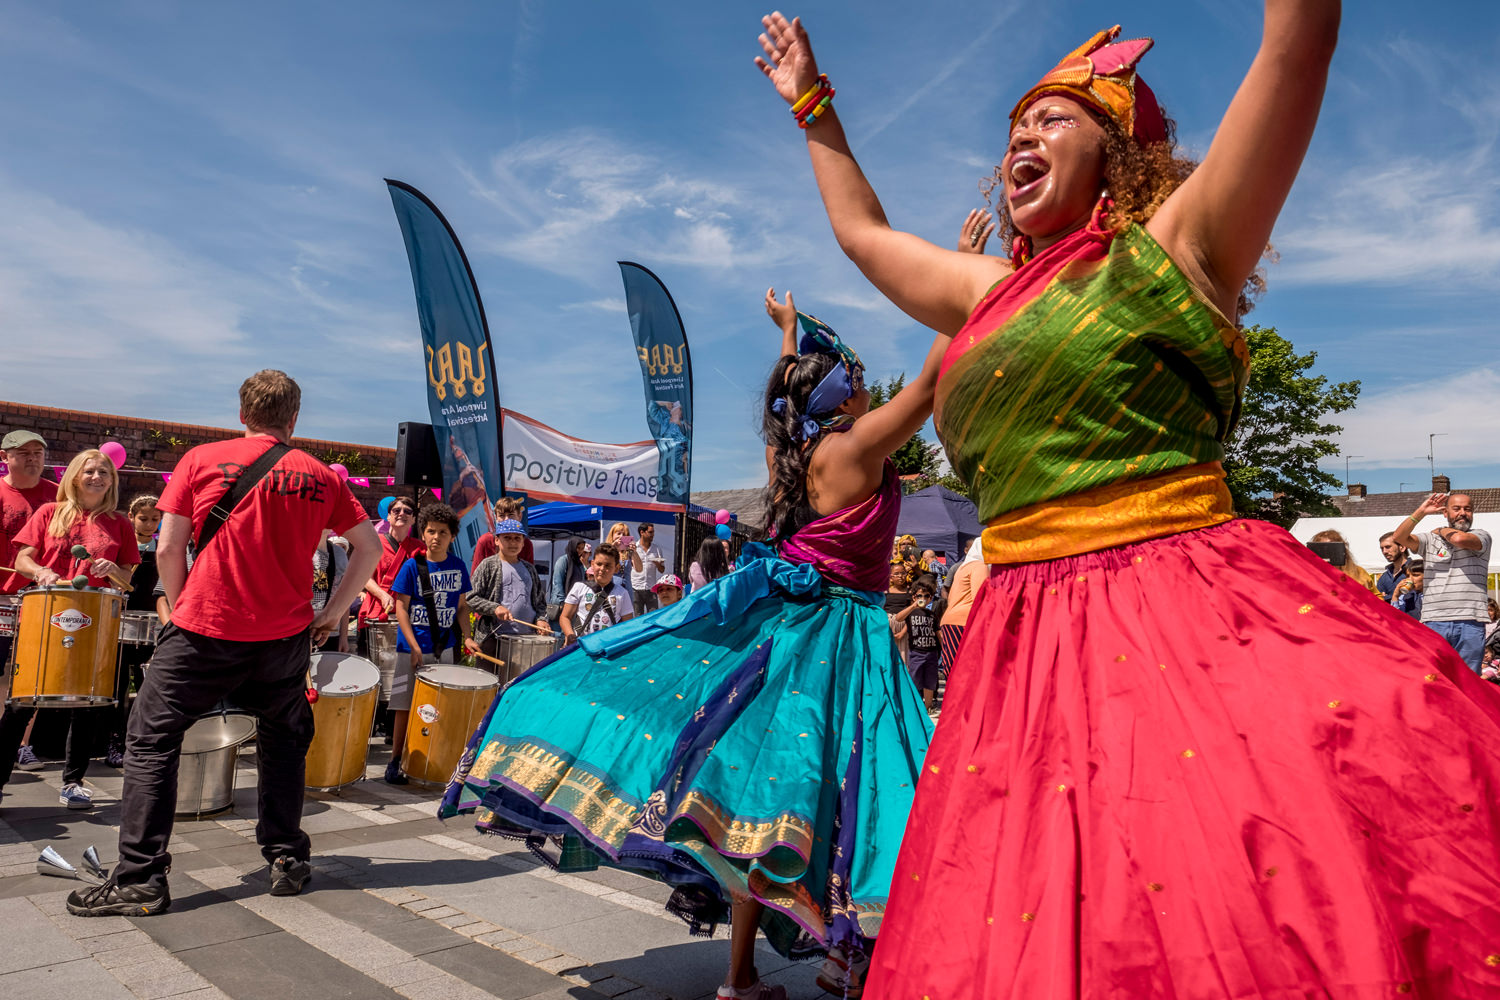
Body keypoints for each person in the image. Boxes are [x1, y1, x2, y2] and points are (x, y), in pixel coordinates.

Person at [758, 7, 1500, 995]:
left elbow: (1297, 43)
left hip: (1180, 617)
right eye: (1016, 126)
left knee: (1216, 913)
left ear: (1118, 154)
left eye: (1056, 119)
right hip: (1019, 655)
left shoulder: (1179, 246)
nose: (1023, 135)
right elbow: (862, 234)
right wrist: (813, 102)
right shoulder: (986, 295)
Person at [444, 285, 940, 1000]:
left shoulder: (792, 455)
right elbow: (926, 385)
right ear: (841, 397)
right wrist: (966, 279)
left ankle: (746, 975)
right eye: (856, 379)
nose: (865, 387)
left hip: (785, 636)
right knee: (870, 791)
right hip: (843, 640)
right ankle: (847, 950)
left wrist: (788, 332)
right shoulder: (857, 444)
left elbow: (784, 407)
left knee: (758, 801)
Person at [65, 370, 379, 916]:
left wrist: (184, 609)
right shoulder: (322, 477)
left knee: (150, 737)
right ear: (294, 418)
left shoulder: (201, 459)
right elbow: (369, 549)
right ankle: (285, 857)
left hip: (204, 627)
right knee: (284, 741)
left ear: (242, 414)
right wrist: (330, 613)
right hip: (283, 635)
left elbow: (166, 552)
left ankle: (141, 876)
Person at [0, 449, 139, 810]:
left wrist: (112, 570)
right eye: (90, 471)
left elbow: (127, 583)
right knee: (21, 702)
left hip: (95, 618)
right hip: (46, 612)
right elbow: (22, 559)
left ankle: (73, 782)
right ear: (76, 475)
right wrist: (41, 572)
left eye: (105, 472)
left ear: (113, 480)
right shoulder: (49, 512)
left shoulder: (121, 523)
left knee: (88, 704)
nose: (98, 477)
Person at [388, 502, 478, 784]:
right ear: (423, 533)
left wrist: (468, 636)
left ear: (452, 536)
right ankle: (395, 759)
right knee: (405, 706)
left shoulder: (459, 566)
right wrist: (414, 645)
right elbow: (400, 607)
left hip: (444, 647)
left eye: (443, 532)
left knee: (439, 707)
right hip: (411, 648)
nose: (436, 537)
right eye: (430, 531)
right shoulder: (412, 567)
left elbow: (462, 607)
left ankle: (435, 757)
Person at [0, 429, 58, 773]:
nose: (32, 458)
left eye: (38, 452)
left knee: (30, 674)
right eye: (23, 453)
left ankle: (21, 744)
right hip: (1, 593)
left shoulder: (57, 496)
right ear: (5, 456)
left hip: (40, 596)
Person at [1392, 492, 1494, 674]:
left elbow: (1459, 539)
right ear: (1445, 513)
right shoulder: (1429, 540)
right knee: (1435, 678)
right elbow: (1399, 537)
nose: (1462, 513)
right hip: (1434, 619)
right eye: (1456, 509)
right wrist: (1421, 512)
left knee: (1468, 680)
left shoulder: (1481, 536)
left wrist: (1441, 530)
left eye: (1467, 509)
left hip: (1470, 620)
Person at [106, 494, 164, 767]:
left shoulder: (163, 547)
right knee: (117, 686)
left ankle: (141, 742)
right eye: (144, 518)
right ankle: (115, 743)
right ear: (131, 517)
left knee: (147, 687)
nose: (150, 524)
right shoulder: (122, 546)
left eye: (155, 519)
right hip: (122, 620)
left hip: (152, 621)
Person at [468, 518, 546, 661]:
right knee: (491, 681)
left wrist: (541, 619)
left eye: (517, 538)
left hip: (526, 640)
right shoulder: (488, 565)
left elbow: (540, 603)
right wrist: (494, 608)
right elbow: (470, 597)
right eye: (507, 538)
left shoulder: (530, 569)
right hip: (493, 639)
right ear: (497, 540)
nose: (513, 542)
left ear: (523, 542)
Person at [357, 496, 421, 656]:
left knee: (403, 670)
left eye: (408, 511)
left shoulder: (419, 548)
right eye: (396, 510)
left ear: (413, 519)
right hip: (377, 611)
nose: (402, 513)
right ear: (388, 516)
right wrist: (382, 594)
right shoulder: (374, 543)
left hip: (407, 615)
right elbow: (363, 576)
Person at [559, 542, 634, 642]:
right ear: (592, 564)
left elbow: (627, 625)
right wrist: (570, 635)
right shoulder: (579, 588)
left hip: (608, 647)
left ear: (616, 568)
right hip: (582, 646)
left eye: (608, 566)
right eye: (599, 564)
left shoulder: (622, 593)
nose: (602, 569)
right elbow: (565, 617)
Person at [890, 576, 941, 712]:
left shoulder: (932, 614)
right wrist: (913, 606)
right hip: (916, 651)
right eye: (919, 595)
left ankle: (928, 706)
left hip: (931, 651)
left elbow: (937, 632)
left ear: (930, 598)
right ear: (914, 597)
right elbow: (899, 618)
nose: (923, 598)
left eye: (926, 596)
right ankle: (914, 704)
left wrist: (944, 646)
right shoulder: (911, 612)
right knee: (915, 678)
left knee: (930, 681)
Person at [468, 496, 536, 575]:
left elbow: (530, 576)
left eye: (511, 515)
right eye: (502, 516)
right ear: (496, 517)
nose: (506, 519)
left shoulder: (527, 544)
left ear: (520, 516)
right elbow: (475, 577)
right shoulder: (485, 541)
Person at [311, 528, 350, 653]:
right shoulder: (296, 549)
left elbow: (344, 599)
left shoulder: (338, 554)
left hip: (330, 632)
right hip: (298, 633)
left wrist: (344, 637)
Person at [1309, 528, 1379, 594]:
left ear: (1341, 549)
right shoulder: (1308, 573)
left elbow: (1376, 597)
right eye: (1323, 549)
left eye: (1332, 548)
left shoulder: (1359, 572)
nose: (1328, 552)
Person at [630, 522, 667, 613]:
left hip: (651, 588)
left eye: (653, 532)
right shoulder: (634, 548)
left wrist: (657, 564)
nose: (653, 535)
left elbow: (662, 570)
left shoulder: (657, 549)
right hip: (636, 587)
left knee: (653, 615)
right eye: (650, 532)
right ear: (642, 532)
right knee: (637, 616)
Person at [604, 521, 644, 590]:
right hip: (610, 587)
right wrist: (613, 547)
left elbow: (639, 569)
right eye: (618, 533)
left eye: (624, 534)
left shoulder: (628, 552)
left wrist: (634, 552)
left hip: (626, 588)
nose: (621, 536)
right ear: (612, 535)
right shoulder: (606, 549)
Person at [1376, 530, 1410, 601]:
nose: (1384, 551)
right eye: (1382, 548)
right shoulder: (1384, 577)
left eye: (1388, 547)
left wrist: (1387, 597)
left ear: (1402, 547)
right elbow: (1378, 601)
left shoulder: (1416, 571)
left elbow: (1414, 597)